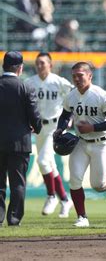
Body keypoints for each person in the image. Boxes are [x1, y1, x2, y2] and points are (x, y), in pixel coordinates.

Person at [53, 62, 106, 228]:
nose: (76, 79)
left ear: (90, 76)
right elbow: (65, 116)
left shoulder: (101, 95)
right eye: (74, 75)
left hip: (100, 143)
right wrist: (59, 129)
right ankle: (82, 217)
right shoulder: (71, 95)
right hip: (81, 142)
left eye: (80, 75)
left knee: (98, 185)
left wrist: (92, 127)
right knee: (74, 181)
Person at [25, 52, 74, 218]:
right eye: (37, 63)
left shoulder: (59, 82)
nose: (40, 66)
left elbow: (74, 98)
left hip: (55, 126)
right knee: (49, 165)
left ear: (50, 65)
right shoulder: (30, 82)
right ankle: (65, 199)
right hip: (39, 127)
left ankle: (51, 195)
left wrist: (70, 118)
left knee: (43, 161)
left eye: (43, 63)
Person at [0, 51, 42, 226]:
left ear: (4, 66)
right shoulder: (25, 87)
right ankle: (14, 218)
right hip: (19, 143)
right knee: (18, 183)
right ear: (20, 68)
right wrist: (36, 127)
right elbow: (34, 115)